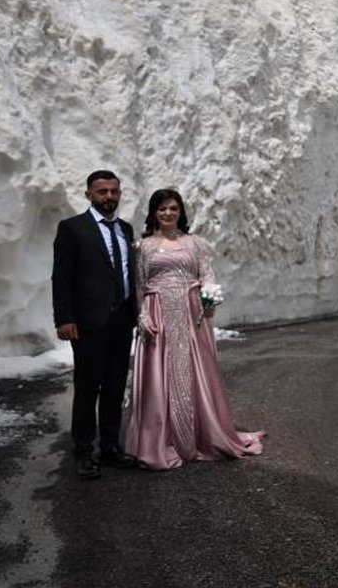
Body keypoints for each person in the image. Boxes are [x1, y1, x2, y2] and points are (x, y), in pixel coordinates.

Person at [123, 188, 265, 469]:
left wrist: (209, 298)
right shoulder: (143, 247)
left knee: (195, 372)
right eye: (162, 208)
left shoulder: (195, 243)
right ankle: (160, 439)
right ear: (153, 213)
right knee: (158, 376)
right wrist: (141, 316)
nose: (167, 213)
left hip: (191, 314)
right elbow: (139, 286)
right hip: (158, 313)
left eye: (173, 208)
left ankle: (200, 435)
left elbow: (207, 276)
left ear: (181, 212)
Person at [52, 169, 140, 480]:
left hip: (121, 321)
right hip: (89, 323)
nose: (109, 197)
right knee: (88, 388)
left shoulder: (126, 230)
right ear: (88, 194)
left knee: (115, 388)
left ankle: (111, 447)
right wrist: (64, 318)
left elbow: (129, 275)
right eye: (102, 192)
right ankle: (83, 450)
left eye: (114, 191)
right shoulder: (73, 228)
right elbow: (61, 278)